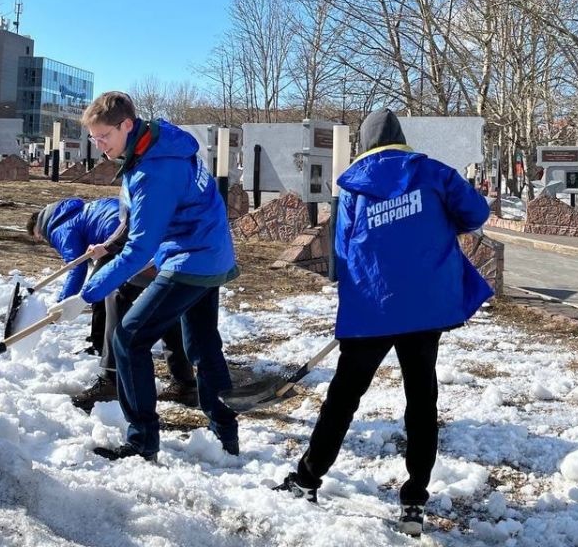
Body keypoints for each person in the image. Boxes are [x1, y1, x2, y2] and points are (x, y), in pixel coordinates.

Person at [274, 109, 493, 537]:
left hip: (371, 307)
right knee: (421, 398)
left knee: (343, 396)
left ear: (365, 144)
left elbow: (341, 249)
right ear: (400, 138)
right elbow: (476, 213)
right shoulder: (434, 173)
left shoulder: (354, 187)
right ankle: (414, 501)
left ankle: (307, 479)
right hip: (424, 308)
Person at [48, 91, 240, 461]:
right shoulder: (153, 145)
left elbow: (140, 250)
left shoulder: (155, 170)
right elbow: (137, 217)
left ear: (126, 125)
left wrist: (86, 296)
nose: (99, 145)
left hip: (191, 258)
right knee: (202, 345)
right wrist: (109, 243)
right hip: (206, 251)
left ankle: (141, 441)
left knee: (129, 338)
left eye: (103, 136)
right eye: (94, 138)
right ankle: (225, 438)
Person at [26, 196, 197, 409]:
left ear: (39, 227)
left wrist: (63, 303)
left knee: (113, 294)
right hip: (153, 238)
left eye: (39, 237)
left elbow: (76, 267)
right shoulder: (74, 212)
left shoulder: (58, 227)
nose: (43, 240)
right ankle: (184, 382)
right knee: (162, 303)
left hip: (129, 241)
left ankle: (111, 378)